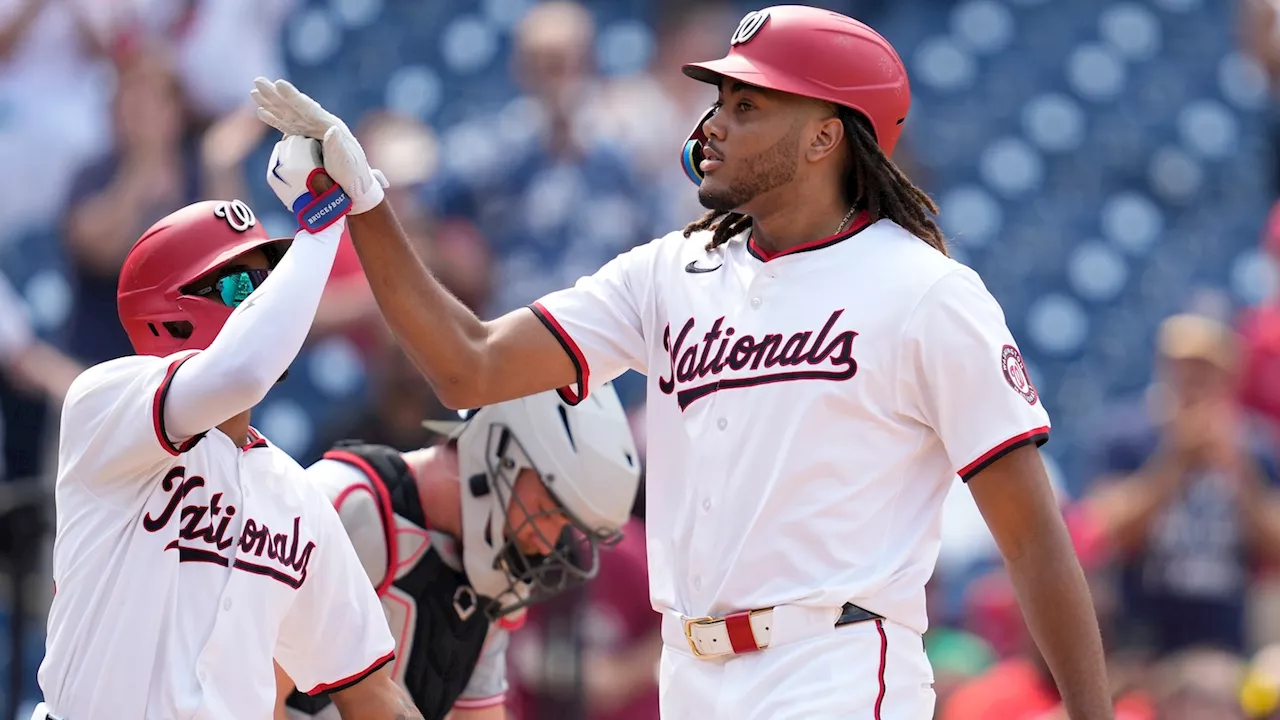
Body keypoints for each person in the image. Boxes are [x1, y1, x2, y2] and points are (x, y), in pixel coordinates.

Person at [250, 5, 1112, 718]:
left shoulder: (927, 293)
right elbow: (468, 366)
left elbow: (1033, 539)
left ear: (825, 138)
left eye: (748, 105)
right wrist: (367, 205)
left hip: (836, 666)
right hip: (689, 674)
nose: (715, 124)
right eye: (721, 100)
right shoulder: (672, 271)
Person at [34, 133, 424, 718]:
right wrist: (324, 224)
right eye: (242, 284)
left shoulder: (297, 496)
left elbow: (371, 692)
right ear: (166, 319)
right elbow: (241, 370)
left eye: (270, 281)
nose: (264, 300)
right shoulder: (104, 403)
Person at [275, 382, 643, 720]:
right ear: (499, 452)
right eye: (549, 510)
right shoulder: (347, 506)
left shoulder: (491, 568)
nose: (547, 544)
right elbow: (253, 698)